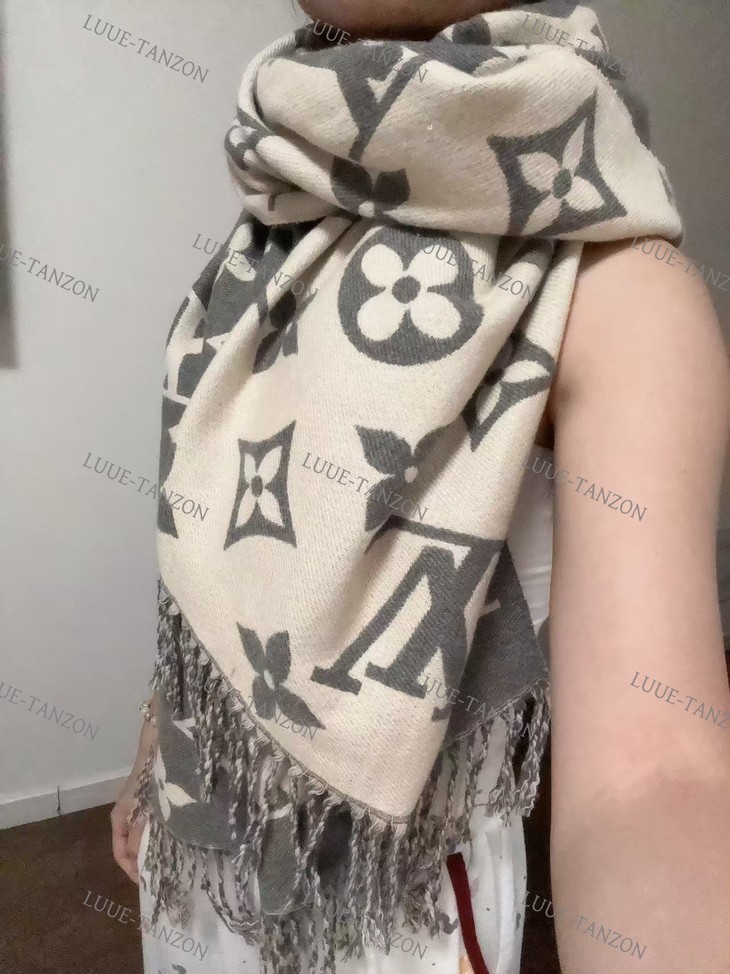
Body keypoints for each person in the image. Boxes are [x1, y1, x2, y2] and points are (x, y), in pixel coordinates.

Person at [111, 1, 730, 973]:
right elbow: (233, 553)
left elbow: (652, 773)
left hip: (393, 901)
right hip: (204, 837)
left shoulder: (615, 289)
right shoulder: (281, 220)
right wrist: (163, 737)